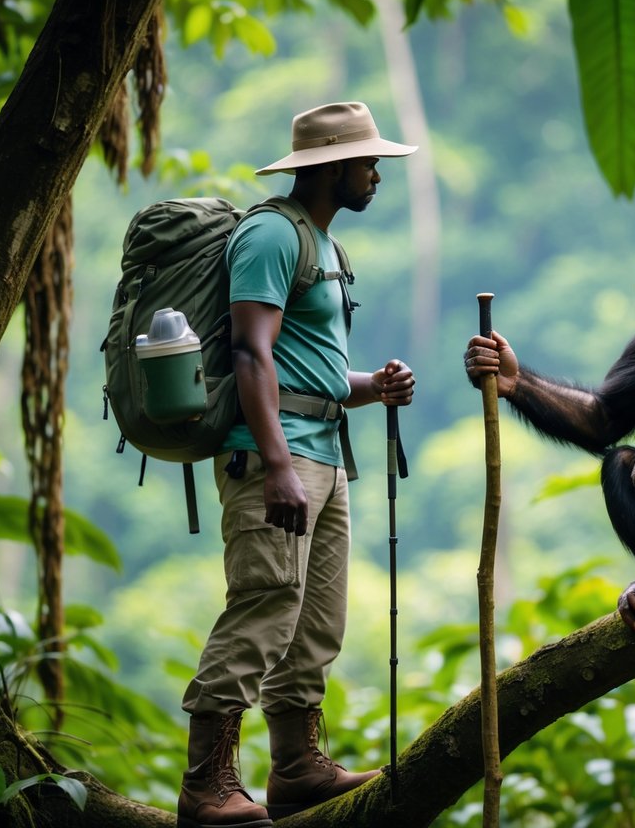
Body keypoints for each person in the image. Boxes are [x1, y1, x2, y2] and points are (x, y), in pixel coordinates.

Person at [177, 102, 417, 828]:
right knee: (263, 610)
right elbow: (251, 352)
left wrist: (373, 387)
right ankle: (206, 786)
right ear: (331, 166)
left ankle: (297, 771)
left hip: (323, 454)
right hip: (274, 457)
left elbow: (305, 368)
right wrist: (277, 465)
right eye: (368, 162)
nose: (377, 175)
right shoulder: (270, 235)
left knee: (316, 621)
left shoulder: (323, 245)